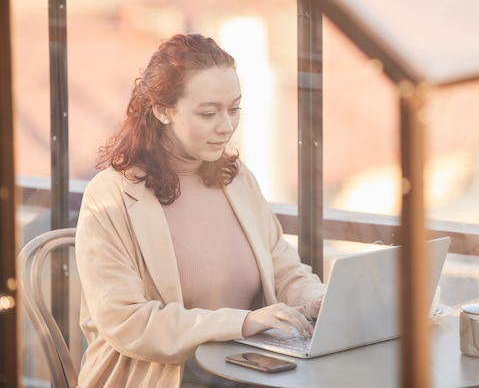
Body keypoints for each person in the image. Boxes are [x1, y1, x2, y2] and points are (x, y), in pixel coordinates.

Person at [75, 33, 326, 388]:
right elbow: (128, 322)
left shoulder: (236, 179)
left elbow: (283, 270)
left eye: (234, 109)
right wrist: (244, 322)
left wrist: (318, 301)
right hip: (164, 377)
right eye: (208, 113)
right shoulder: (111, 197)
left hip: (248, 371)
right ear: (163, 110)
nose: (226, 126)